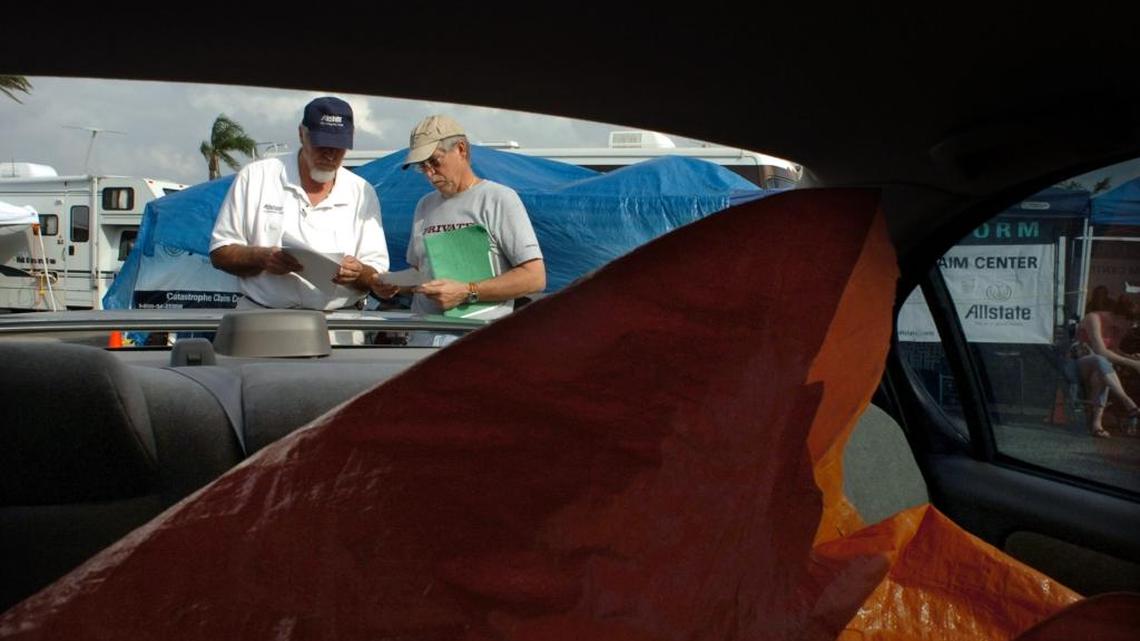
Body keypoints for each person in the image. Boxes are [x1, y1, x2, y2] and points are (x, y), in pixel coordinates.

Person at [210, 96, 388, 310]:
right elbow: (221, 252)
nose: (329, 154)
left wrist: (358, 272)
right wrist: (262, 258)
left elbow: (376, 274)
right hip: (263, 318)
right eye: (321, 144)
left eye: (338, 147)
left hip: (339, 324)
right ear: (302, 134)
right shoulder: (256, 177)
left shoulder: (361, 192)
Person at [371, 115, 545, 321]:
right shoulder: (424, 205)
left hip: (476, 338)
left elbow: (534, 277)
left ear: (461, 149)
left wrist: (467, 291)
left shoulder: (498, 199)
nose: (429, 173)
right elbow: (421, 273)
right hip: (423, 335)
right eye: (421, 166)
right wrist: (391, 284)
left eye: (434, 161)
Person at [1070, 295, 1140, 437]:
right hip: (1076, 363)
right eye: (1130, 323)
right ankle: (1127, 401)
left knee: (1100, 375)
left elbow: (1113, 350)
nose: (1132, 327)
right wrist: (1133, 364)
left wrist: (1130, 357)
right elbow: (1100, 350)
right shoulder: (1094, 318)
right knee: (1100, 360)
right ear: (1120, 317)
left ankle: (1096, 425)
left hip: (1098, 369)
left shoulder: (1118, 328)